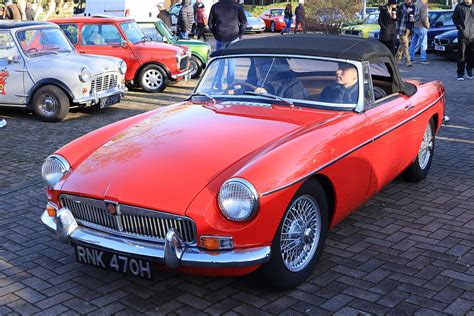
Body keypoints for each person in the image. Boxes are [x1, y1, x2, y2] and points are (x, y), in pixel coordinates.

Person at [208, 0, 247, 88]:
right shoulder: (237, 7)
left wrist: (216, 34)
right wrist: (240, 35)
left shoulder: (215, 6)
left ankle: (219, 83)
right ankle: (230, 84)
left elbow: (210, 23)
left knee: (220, 61)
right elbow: (244, 22)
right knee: (231, 61)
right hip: (234, 36)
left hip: (220, 37)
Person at [452, 0, 474, 80]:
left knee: (472, 55)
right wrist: (460, 28)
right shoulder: (459, 6)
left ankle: (469, 70)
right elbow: (454, 18)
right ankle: (460, 74)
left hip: (473, 36)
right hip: (462, 36)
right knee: (461, 55)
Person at [409, 0, 430, 64]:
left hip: (415, 26)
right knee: (423, 43)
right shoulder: (423, 6)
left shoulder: (414, 4)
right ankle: (423, 59)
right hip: (421, 26)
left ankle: (411, 58)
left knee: (413, 43)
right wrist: (427, 25)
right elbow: (424, 18)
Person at [396, 0, 415, 66]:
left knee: (402, 45)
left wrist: (413, 19)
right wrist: (406, 13)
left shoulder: (413, 6)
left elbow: (415, 16)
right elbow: (398, 17)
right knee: (405, 45)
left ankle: (397, 59)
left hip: (409, 29)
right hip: (402, 28)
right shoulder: (401, 6)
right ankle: (408, 61)